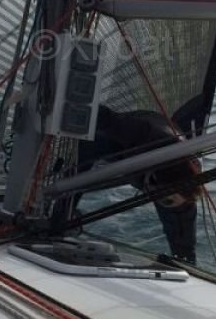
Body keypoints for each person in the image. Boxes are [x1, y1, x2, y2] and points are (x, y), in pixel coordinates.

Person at [86, 106, 201, 264]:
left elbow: (183, 225)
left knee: (178, 214)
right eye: (167, 200)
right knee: (88, 146)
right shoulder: (144, 134)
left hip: (157, 171)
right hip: (131, 139)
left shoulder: (184, 193)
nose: (168, 204)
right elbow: (104, 117)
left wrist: (185, 261)